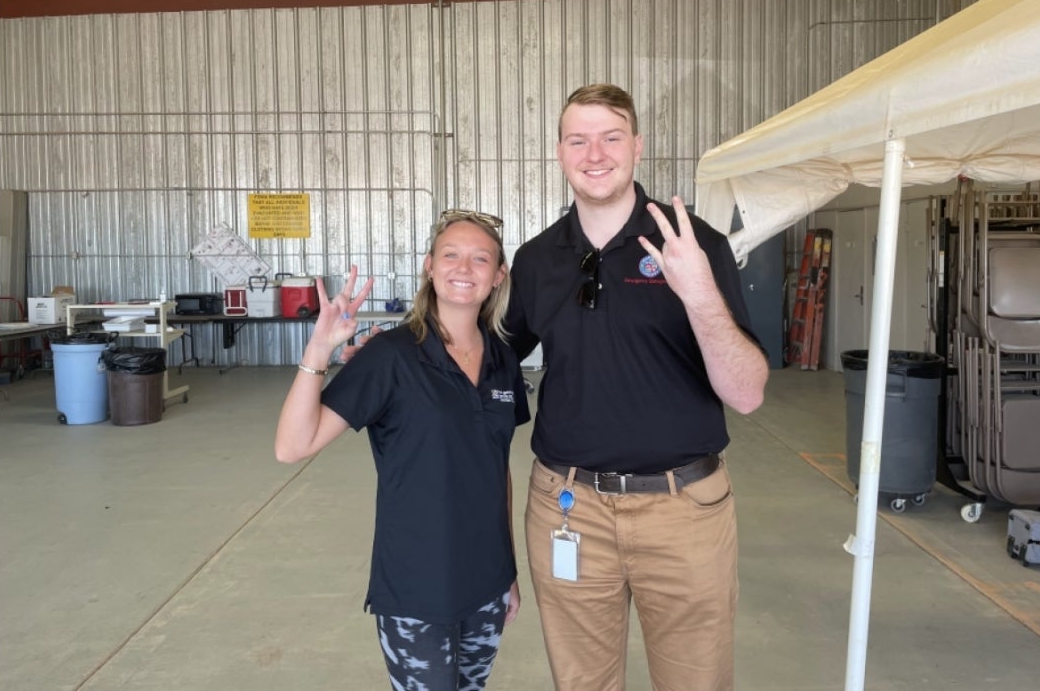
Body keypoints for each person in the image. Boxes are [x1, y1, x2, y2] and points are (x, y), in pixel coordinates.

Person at [504, 82, 770, 690]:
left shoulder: (695, 244)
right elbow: (491, 359)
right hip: (568, 509)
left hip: (683, 511)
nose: (594, 153)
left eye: (611, 137)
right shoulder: (538, 259)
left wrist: (697, 289)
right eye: (579, 139)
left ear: (638, 147)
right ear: (559, 152)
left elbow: (748, 393)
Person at [275, 209, 530, 691]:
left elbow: (497, 471)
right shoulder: (390, 355)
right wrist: (318, 350)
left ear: (498, 277)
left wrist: (508, 572)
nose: (463, 268)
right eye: (450, 255)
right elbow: (293, 446)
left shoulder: (503, 360)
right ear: (429, 267)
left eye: (480, 259)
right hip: (417, 586)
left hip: (487, 582)